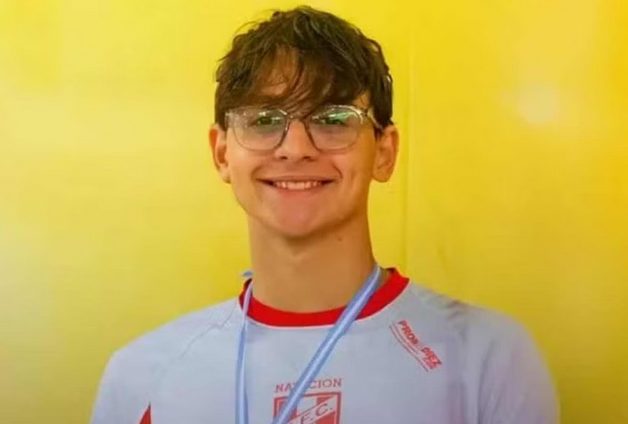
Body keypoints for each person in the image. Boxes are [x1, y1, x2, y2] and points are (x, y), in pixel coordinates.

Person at [90, 6, 557, 424]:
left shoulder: (487, 359)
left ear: (384, 152)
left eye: (333, 119)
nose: (295, 149)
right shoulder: (142, 376)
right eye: (264, 120)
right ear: (222, 153)